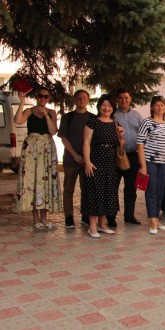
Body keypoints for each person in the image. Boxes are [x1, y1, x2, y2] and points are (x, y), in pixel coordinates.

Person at [14, 87, 62, 230]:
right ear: (36, 97)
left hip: (47, 149)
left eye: (46, 96)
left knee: (46, 181)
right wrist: (22, 101)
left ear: (49, 98)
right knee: (32, 181)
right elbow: (18, 120)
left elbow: (53, 131)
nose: (42, 99)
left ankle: (44, 219)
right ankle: (35, 219)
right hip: (32, 150)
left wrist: (46, 115)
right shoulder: (29, 111)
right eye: (40, 96)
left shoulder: (52, 112)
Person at [137, 96, 165, 235]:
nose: (160, 107)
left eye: (162, 105)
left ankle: (156, 218)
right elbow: (140, 144)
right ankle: (153, 221)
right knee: (151, 190)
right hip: (150, 161)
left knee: (161, 191)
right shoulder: (147, 122)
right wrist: (143, 166)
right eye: (157, 105)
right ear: (152, 107)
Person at [81, 94, 122, 238]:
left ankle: (102, 224)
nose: (107, 108)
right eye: (104, 105)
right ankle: (92, 227)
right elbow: (86, 143)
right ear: (99, 106)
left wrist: (121, 136)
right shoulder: (92, 122)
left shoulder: (115, 124)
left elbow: (120, 145)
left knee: (107, 193)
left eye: (109, 106)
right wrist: (87, 162)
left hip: (110, 164)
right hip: (95, 162)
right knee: (94, 193)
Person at [58, 89, 95, 229]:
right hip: (70, 160)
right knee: (68, 190)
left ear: (88, 100)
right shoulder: (67, 117)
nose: (82, 100)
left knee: (87, 190)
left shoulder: (93, 118)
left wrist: (87, 158)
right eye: (79, 97)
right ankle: (69, 217)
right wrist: (75, 155)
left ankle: (85, 216)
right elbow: (63, 138)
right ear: (75, 99)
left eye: (84, 97)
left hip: (87, 161)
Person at [109, 88, 143, 226]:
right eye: (121, 98)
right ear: (117, 99)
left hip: (133, 155)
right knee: (113, 186)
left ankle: (129, 215)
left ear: (130, 99)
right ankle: (111, 216)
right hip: (116, 155)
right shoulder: (113, 115)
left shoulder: (137, 115)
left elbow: (142, 134)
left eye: (126, 98)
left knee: (131, 188)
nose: (124, 100)